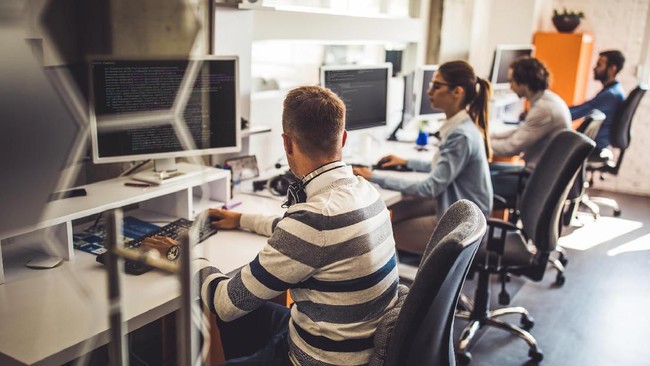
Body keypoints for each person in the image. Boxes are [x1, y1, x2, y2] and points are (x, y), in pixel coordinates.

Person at [190, 86, 399, 365]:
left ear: (287, 143)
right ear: (343, 138)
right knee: (247, 313)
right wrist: (242, 220)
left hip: (318, 359)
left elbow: (225, 304)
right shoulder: (365, 191)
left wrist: (186, 257)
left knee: (233, 308)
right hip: (350, 344)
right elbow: (312, 236)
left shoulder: (312, 222)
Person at [353, 60, 493, 256]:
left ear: (457, 92)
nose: (429, 92)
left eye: (437, 86)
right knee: (395, 212)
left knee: (381, 234)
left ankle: (412, 282)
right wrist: (407, 162)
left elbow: (430, 187)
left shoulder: (460, 135)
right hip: (458, 206)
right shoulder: (461, 126)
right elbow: (442, 166)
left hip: (462, 221)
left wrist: (373, 175)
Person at [489, 57, 572, 207]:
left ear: (524, 83)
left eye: (512, 81)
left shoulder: (543, 109)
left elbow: (510, 148)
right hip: (542, 173)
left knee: (471, 180)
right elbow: (521, 131)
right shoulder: (547, 100)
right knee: (485, 169)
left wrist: (481, 144)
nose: (510, 87)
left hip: (535, 179)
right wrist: (489, 136)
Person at [569, 50, 625, 153]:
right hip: (599, 142)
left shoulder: (610, 95)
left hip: (595, 144)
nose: (594, 68)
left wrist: (556, 111)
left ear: (612, 69)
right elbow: (586, 106)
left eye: (599, 65)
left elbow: (578, 112)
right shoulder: (616, 90)